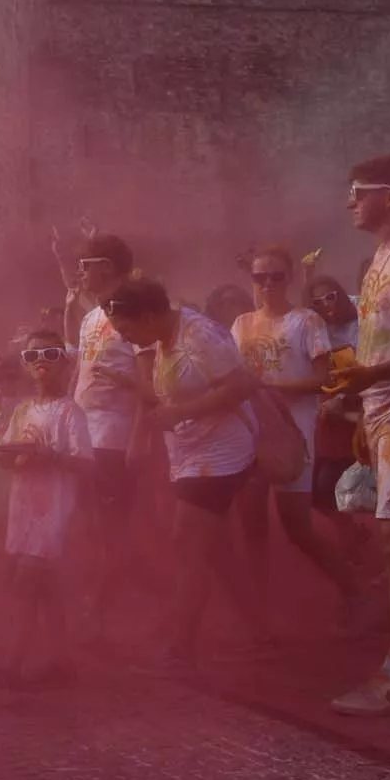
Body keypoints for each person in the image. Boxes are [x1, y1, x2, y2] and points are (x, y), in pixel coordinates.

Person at [103, 277, 268, 672]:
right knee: (216, 549)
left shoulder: (200, 334)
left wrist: (180, 413)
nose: (127, 339)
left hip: (220, 453)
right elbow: (170, 395)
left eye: (127, 329)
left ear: (147, 315)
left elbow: (242, 385)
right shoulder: (165, 340)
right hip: (192, 453)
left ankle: (181, 646)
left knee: (188, 542)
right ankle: (261, 628)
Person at [231, 246, 361, 626]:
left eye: (276, 276)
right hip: (249, 435)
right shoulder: (241, 324)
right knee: (251, 524)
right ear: (252, 280)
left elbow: (325, 380)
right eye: (260, 277)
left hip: (293, 437)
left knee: (298, 529)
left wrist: (273, 387)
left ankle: (354, 591)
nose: (268, 284)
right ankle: (260, 611)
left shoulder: (306, 321)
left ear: (288, 279)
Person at [329, 154, 390, 716]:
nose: (350, 200)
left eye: (359, 190)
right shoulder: (381, 256)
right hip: (383, 416)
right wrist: (362, 402)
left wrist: (369, 379)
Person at [0, 331, 91, 689]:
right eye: (33, 356)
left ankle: (12, 666)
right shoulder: (23, 410)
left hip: (54, 511)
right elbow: (7, 457)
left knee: (27, 585)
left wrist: (52, 456)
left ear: (65, 363)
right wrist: (10, 458)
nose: (41, 362)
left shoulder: (70, 412)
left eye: (49, 354)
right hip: (24, 509)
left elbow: (86, 464)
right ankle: (63, 662)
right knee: (46, 590)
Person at [64, 234, 145, 638]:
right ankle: (104, 595)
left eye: (84, 264)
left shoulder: (138, 311)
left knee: (110, 524)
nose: (79, 273)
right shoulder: (90, 317)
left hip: (115, 434)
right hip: (83, 434)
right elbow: (79, 372)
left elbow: (151, 379)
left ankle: (101, 607)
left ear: (108, 267)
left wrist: (138, 439)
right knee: (90, 522)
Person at [306, 275, 371, 554]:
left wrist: (344, 401)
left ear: (341, 294)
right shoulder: (317, 329)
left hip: (364, 413)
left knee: (346, 486)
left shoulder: (364, 321)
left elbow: (375, 371)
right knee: (315, 492)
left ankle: (365, 551)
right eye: (317, 302)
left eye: (330, 297)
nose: (325, 305)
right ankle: (354, 537)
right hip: (330, 421)